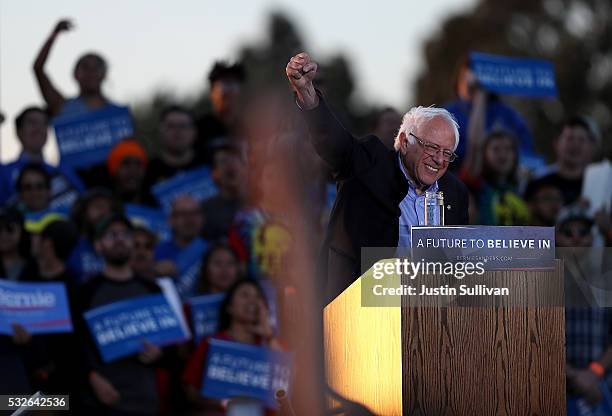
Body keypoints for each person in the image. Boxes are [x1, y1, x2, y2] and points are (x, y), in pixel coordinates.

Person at [285, 52, 469, 303]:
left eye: (447, 153)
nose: (439, 159)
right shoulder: (370, 163)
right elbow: (334, 143)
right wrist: (308, 95)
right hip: (356, 307)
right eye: (431, 148)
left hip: (427, 314)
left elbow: (458, 264)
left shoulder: (454, 193)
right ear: (404, 141)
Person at [76, 214, 165, 414]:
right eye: (111, 234)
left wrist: (159, 353)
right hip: (100, 401)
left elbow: (171, 348)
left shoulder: (152, 290)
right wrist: (92, 378)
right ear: (98, 246)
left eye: (125, 234)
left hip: (144, 400)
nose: (119, 239)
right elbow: (74, 346)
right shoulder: (85, 292)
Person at [182, 278, 281, 415]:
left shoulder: (270, 344)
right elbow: (191, 392)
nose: (252, 301)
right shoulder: (212, 343)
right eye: (245, 295)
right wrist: (219, 402)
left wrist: (269, 336)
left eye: (257, 296)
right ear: (229, 307)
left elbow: (288, 384)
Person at [17, 219, 81, 395]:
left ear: (48, 243)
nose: (33, 240)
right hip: (23, 374)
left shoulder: (73, 285)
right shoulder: (27, 273)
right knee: (7, 405)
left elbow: (74, 342)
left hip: (62, 381)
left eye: (38, 236)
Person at [444, 58, 538, 171]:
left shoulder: (505, 113)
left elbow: (525, 144)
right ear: (459, 81)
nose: (470, 85)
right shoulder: (447, 115)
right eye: (465, 79)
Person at [33, 19, 122, 118]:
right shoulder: (62, 107)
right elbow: (38, 68)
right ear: (75, 74)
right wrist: (55, 33)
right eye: (85, 67)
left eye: (96, 67)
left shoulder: (118, 113)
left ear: (104, 74)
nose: (91, 73)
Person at [0, 107, 84, 207]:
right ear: (18, 132)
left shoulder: (63, 171)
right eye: (32, 123)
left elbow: (84, 203)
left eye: (44, 124)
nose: (38, 128)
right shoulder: (4, 172)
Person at [460, 130, 530, 225]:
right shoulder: (476, 184)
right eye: (495, 149)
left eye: (508, 149)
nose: (502, 155)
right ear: (484, 154)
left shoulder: (524, 187)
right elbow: (474, 144)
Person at [532, 116, 599, 206]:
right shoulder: (537, 181)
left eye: (581, 140)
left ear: (591, 147)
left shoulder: (599, 185)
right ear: (556, 143)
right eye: (570, 138)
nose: (575, 145)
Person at [155, 195, 207, 296]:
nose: (189, 219)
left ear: (202, 218)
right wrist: (154, 271)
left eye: (194, 213)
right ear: (171, 220)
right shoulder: (157, 252)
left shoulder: (212, 251)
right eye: (183, 214)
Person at [196, 62, 246, 164]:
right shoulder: (200, 129)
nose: (230, 91)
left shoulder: (247, 128)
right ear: (212, 92)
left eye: (234, 85)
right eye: (224, 85)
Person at [144, 106, 204, 188]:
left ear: (194, 132)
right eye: (171, 126)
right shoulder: (148, 171)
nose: (177, 131)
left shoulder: (209, 164)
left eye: (183, 126)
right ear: (161, 132)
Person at [201, 145, 246, 241]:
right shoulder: (205, 210)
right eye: (223, 161)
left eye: (234, 160)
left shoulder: (261, 202)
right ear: (214, 174)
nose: (230, 165)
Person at [106, 139, 157, 206]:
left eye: (138, 164)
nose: (133, 171)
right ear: (114, 170)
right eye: (126, 164)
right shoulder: (105, 209)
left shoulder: (156, 206)